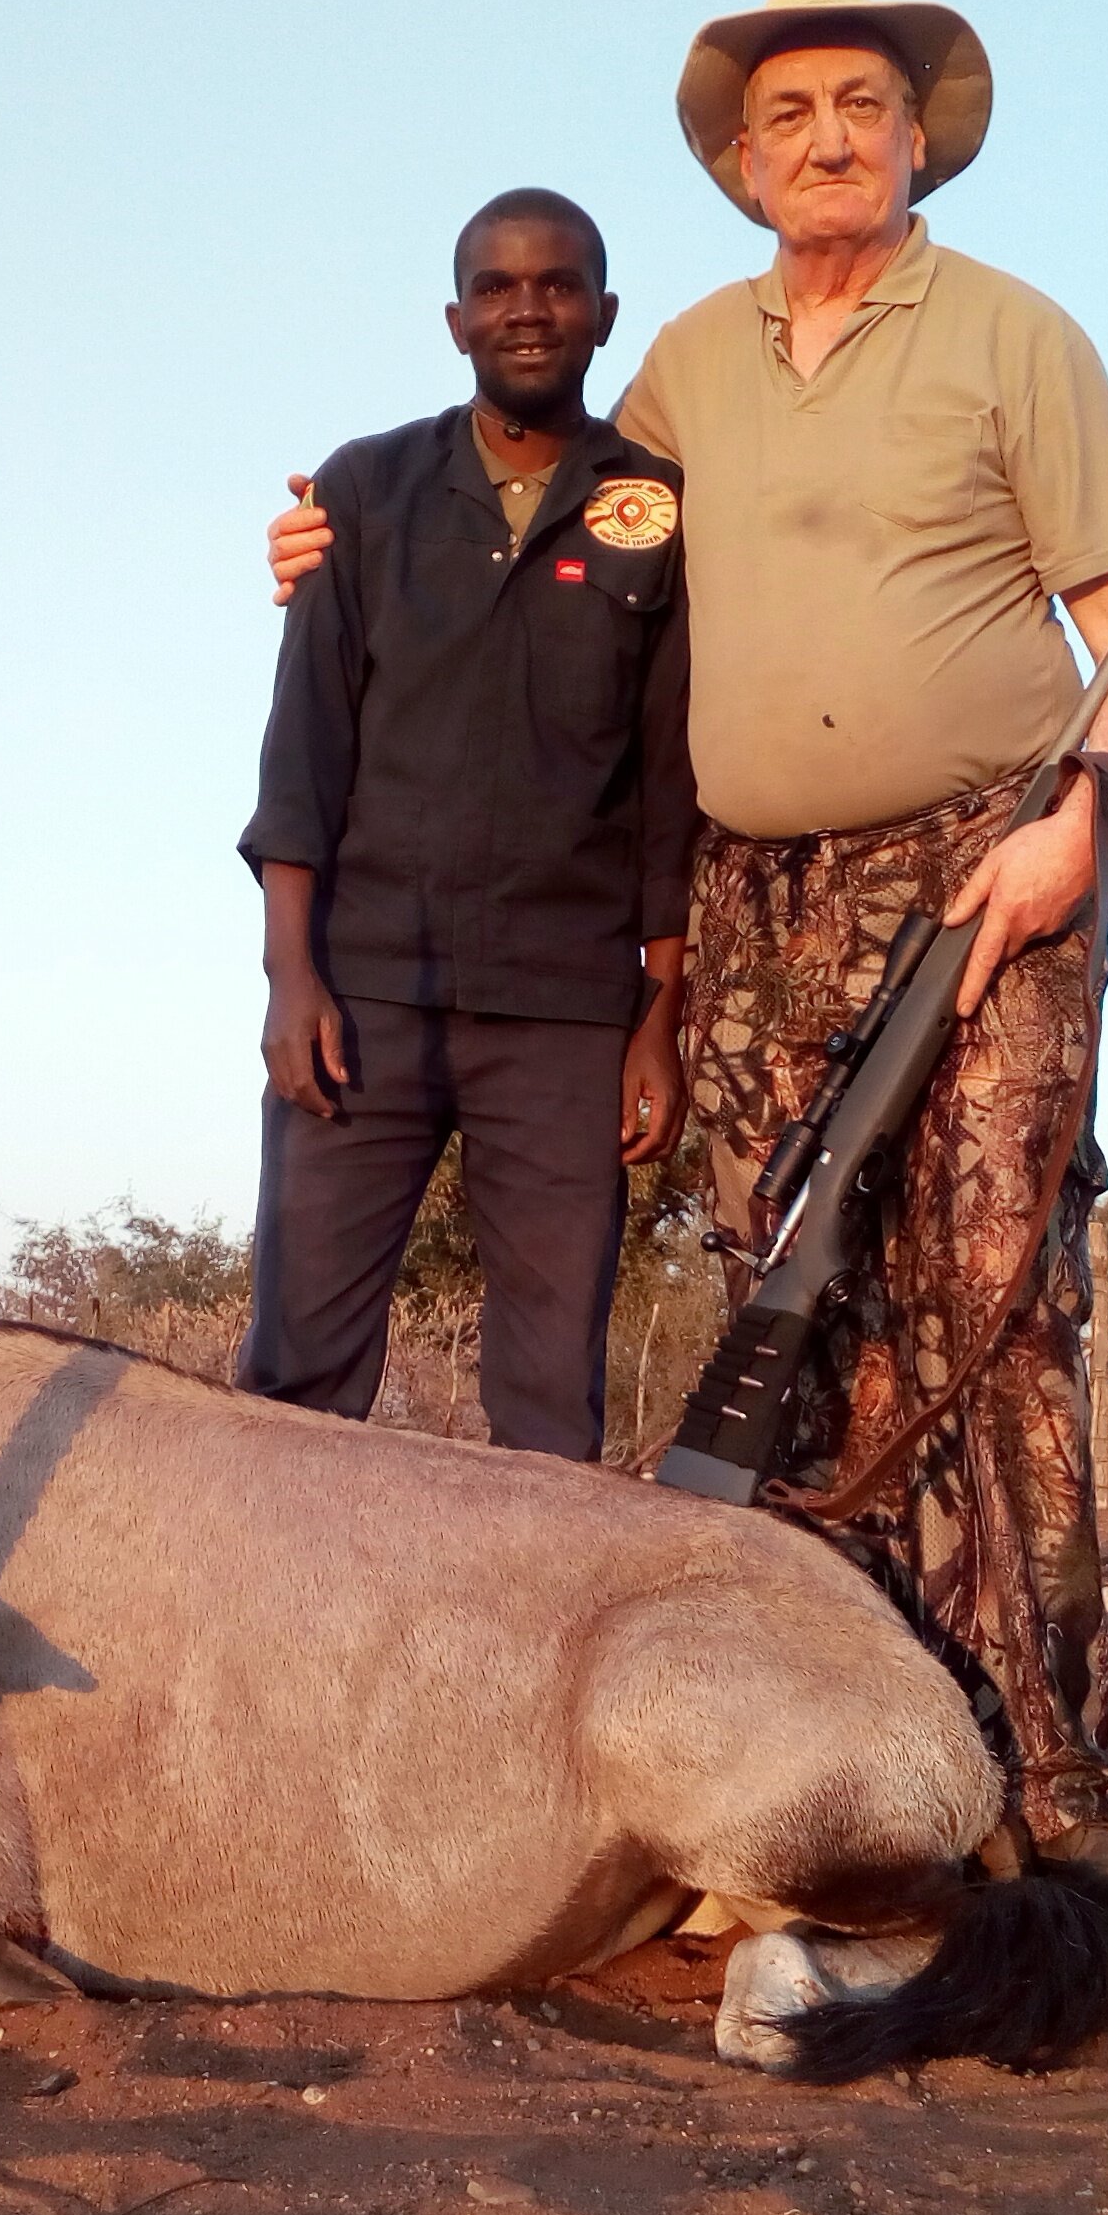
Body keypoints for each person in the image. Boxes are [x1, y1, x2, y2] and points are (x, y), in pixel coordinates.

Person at [272, 0, 1108, 1942]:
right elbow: (529, 529)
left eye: (861, 103)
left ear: (918, 132)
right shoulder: (686, 368)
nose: (827, 138)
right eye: (786, 115)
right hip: (758, 899)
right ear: (743, 157)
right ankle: (822, 1748)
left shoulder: (1018, 338)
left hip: (980, 867)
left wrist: (1084, 818)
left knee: (994, 1298)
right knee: (789, 1306)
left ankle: (1054, 1776)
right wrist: (332, 538)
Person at [236, 189, 696, 1461]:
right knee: (297, 1376)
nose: (528, 309)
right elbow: (303, 753)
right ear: (455, 320)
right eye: (498, 288)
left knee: (551, 1399)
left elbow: (668, 788)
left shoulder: (652, 509)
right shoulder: (366, 490)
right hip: (365, 990)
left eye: (558, 286)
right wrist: (292, 975)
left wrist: (658, 1017)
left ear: (605, 315)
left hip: (563, 1008)